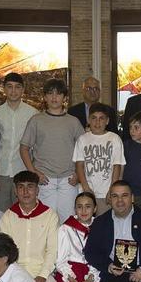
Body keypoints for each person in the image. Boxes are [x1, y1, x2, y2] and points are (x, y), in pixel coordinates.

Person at [0, 171, 60, 282]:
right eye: (21, 187)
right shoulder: (7, 216)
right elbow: (1, 251)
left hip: (42, 272)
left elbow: (53, 250)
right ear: (15, 191)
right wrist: (14, 276)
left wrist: (43, 275)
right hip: (14, 273)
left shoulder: (50, 215)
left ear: (37, 190)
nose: (25, 191)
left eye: (30, 187)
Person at [20, 78, 84, 221]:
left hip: (68, 180)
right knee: (44, 221)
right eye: (50, 93)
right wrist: (34, 172)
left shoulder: (73, 122)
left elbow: (84, 151)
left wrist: (79, 174)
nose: (54, 97)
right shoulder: (36, 120)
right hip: (44, 180)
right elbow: (24, 148)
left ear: (64, 97)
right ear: (45, 97)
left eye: (58, 93)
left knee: (69, 223)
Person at [0, 72, 38, 211]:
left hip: (23, 169)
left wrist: (33, 170)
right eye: (9, 87)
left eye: (17, 87)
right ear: (4, 89)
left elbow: (35, 145)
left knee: (23, 211)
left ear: (23, 89)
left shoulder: (32, 113)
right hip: (2, 171)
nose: (13, 91)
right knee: (2, 212)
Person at [73, 102, 125, 214]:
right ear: (88, 120)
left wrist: (112, 190)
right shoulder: (82, 139)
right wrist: (86, 188)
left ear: (107, 121)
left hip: (106, 192)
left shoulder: (114, 139)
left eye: (101, 118)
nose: (97, 122)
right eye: (94, 118)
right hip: (87, 191)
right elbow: (79, 166)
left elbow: (117, 166)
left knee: (105, 224)